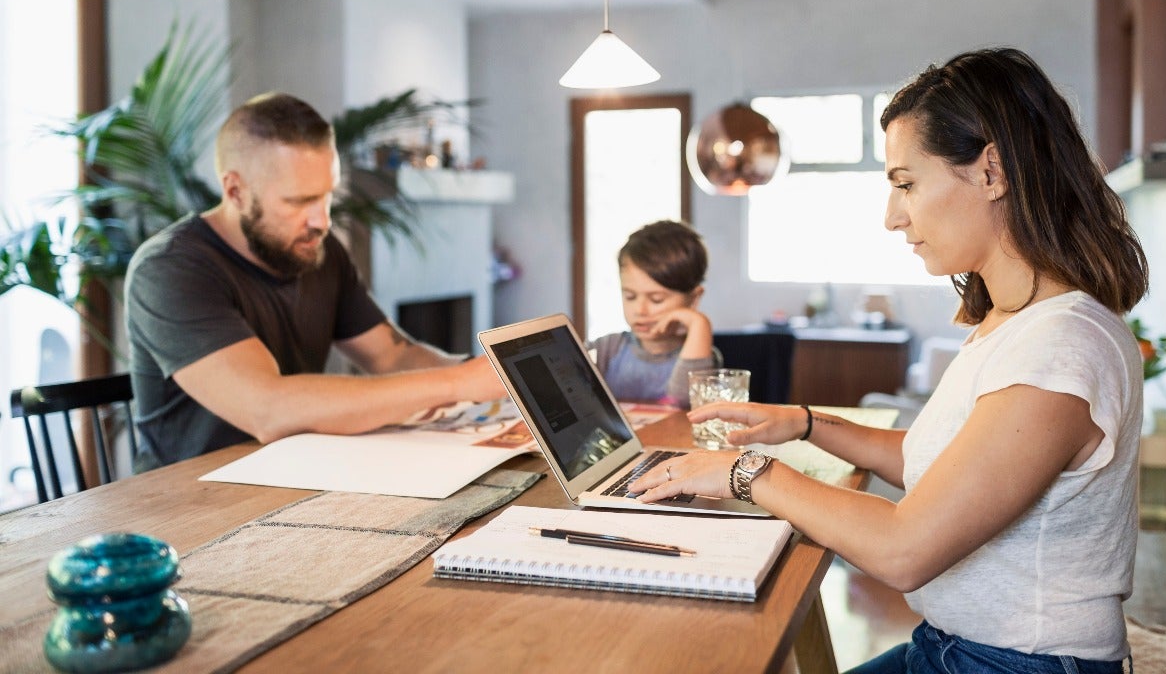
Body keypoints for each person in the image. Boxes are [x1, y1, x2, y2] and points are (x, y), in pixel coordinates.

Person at [631, 48, 1149, 673]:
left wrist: (748, 472)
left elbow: (906, 549)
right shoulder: (1014, 321)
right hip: (956, 649)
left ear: (992, 172)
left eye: (906, 183)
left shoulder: (1061, 346)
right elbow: (937, 464)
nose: (891, 216)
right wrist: (806, 422)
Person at [125, 92, 507, 471]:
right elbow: (268, 408)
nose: (321, 221)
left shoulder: (317, 253)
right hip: (192, 502)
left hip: (298, 473)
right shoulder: (169, 270)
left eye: (326, 197)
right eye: (298, 201)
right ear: (235, 191)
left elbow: (393, 356)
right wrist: (459, 383)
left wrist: (493, 382)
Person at [587, 220, 720, 408]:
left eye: (656, 299)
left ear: (694, 298)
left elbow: (680, 402)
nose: (640, 310)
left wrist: (700, 323)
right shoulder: (608, 348)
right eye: (630, 296)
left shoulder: (700, 356)